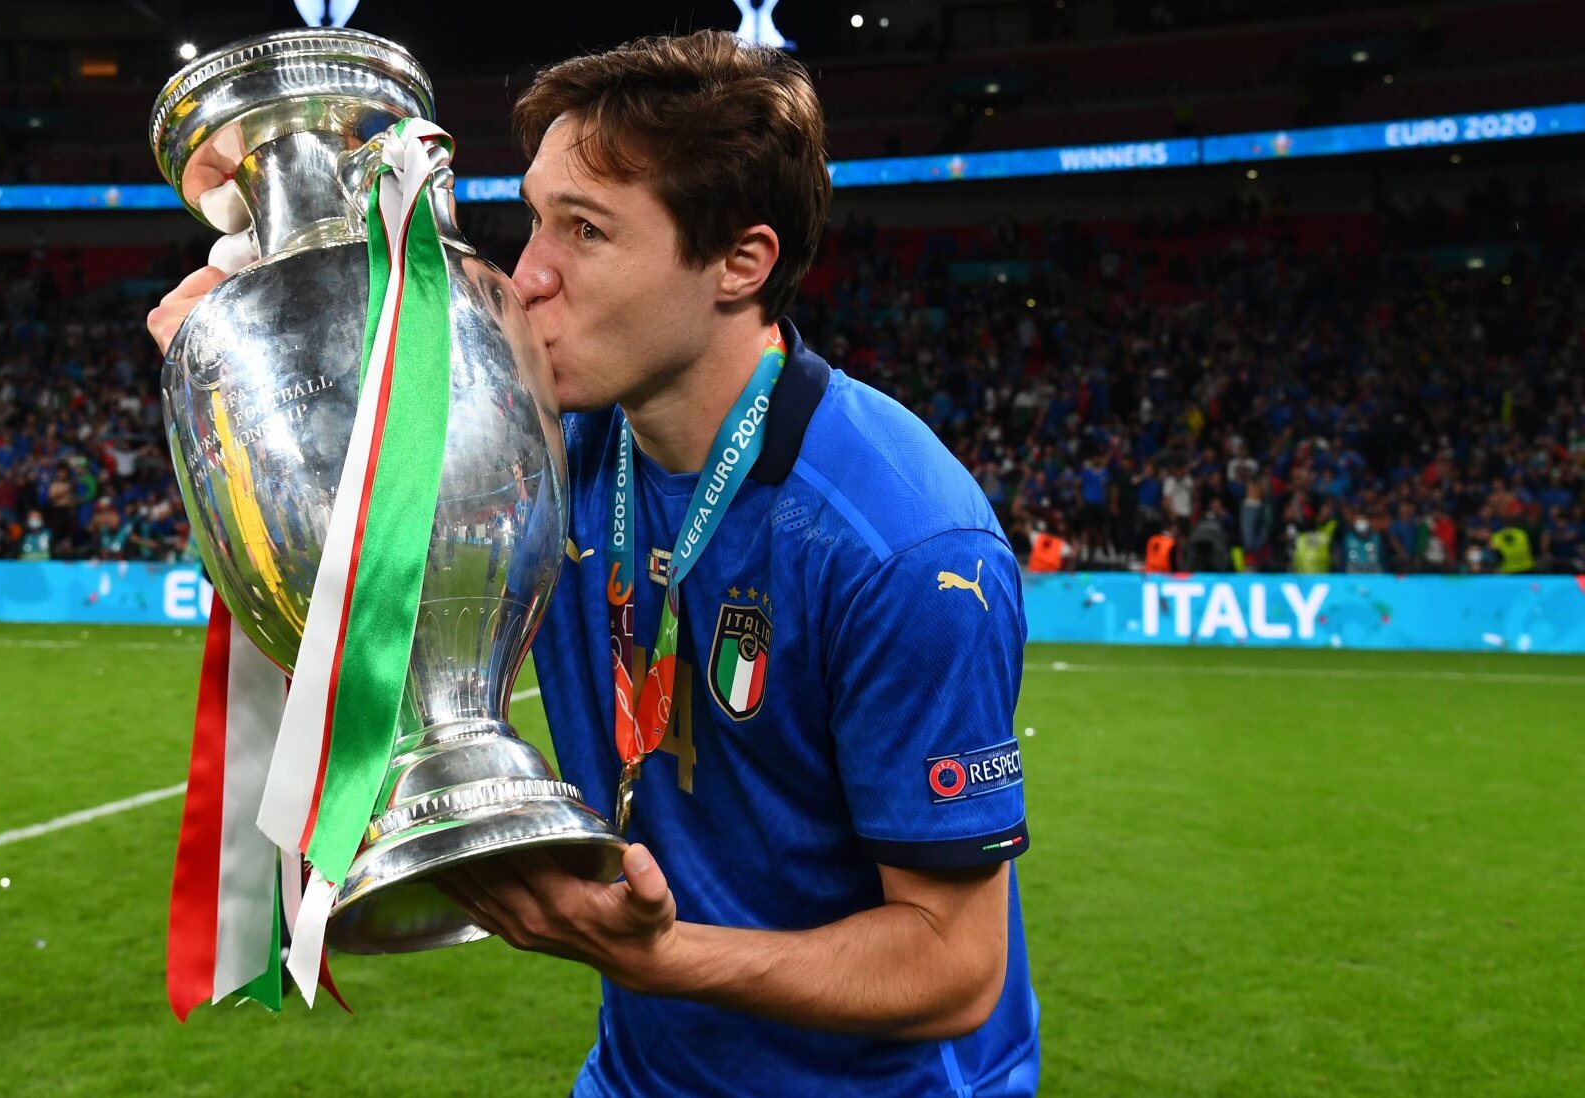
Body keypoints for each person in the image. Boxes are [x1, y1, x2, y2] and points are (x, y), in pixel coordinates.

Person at [151, 30, 1035, 1097]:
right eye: (532, 217)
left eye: (584, 230)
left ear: (738, 263)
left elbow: (951, 965)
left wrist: (657, 958)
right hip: (636, 1073)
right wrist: (250, 378)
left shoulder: (901, 547)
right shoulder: (539, 446)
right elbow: (351, 622)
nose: (526, 276)